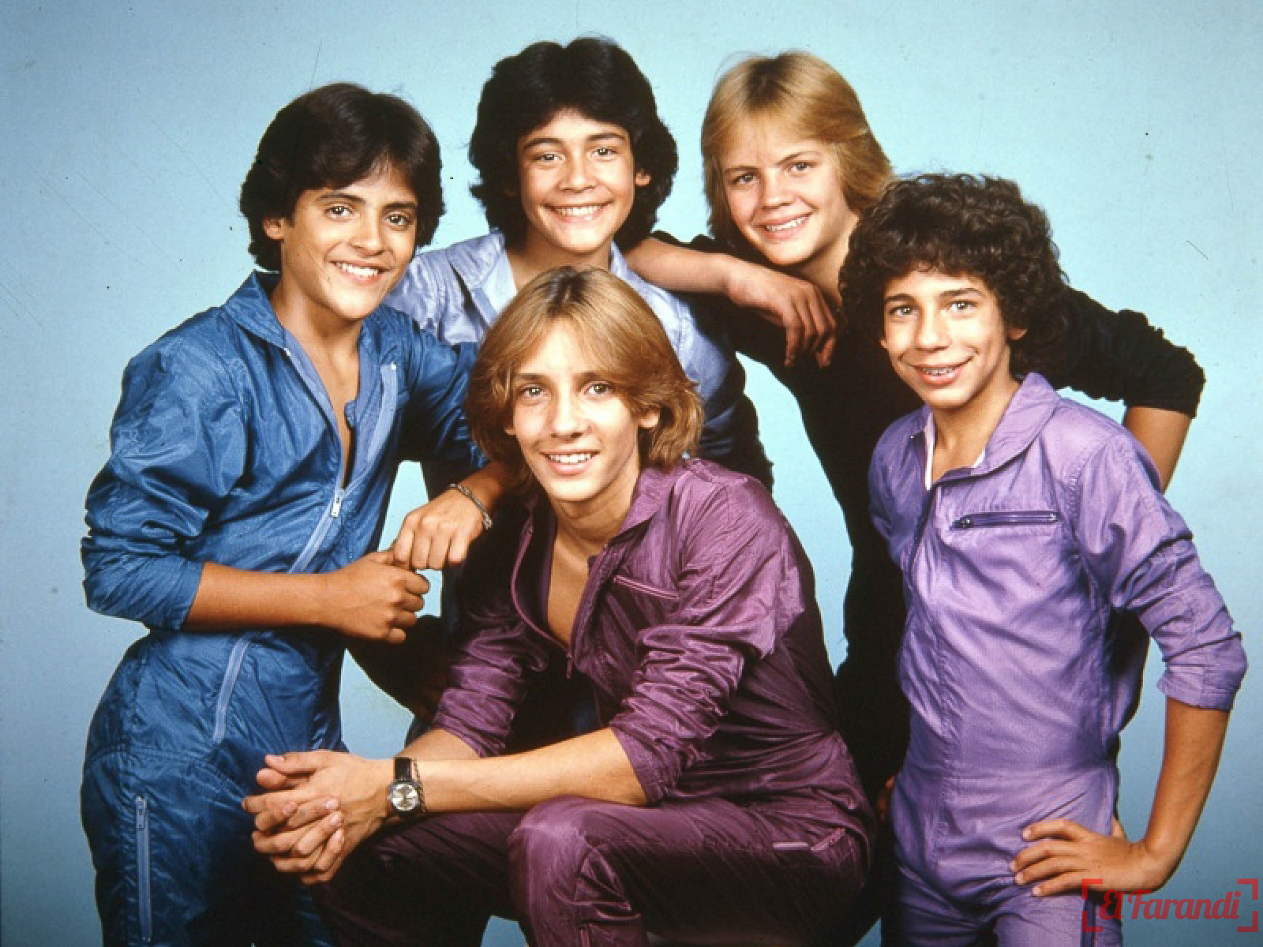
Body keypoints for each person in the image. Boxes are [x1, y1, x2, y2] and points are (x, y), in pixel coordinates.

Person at [625, 50, 1206, 806]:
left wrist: (1105, 534)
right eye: (743, 178)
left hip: (1014, 649)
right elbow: (618, 246)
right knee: (852, 843)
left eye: (799, 165)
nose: (772, 199)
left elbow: (1164, 373)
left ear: (849, 159)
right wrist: (738, 275)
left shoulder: (944, 279)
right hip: (887, 630)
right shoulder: (768, 298)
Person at [243, 266, 873, 947]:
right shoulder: (518, 534)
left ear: (648, 405)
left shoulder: (723, 517)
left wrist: (396, 786)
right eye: (534, 391)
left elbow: (641, 761)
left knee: (559, 835)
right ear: (507, 415)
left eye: (597, 387)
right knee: (364, 840)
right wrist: (353, 801)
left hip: (788, 839)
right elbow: (470, 728)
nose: (563, 423)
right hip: (632, 826)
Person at [79, 83, 506, 946]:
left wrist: (473, 492)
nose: (372, 240)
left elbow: (528, 426)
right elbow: (119, 567)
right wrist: (329, 598)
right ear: (278, 216)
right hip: (175, 748)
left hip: (305, 751)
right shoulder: (199, 365)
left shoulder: (401, 357)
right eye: (340, 207)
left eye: (397, 216)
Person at [846, 173, 1246, 944]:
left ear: (1015, 314)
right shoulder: (894, 457)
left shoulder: (1085, 455)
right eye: (902, 308)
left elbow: (1207, 648)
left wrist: (1154, 852)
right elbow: (934, 636)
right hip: (919, 837)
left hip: (1045, 845)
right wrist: (918, 769)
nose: (928, 336)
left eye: (960, 303)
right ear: (879, 327)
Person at [386, 37, 771, 498]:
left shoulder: (678, 328)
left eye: (603, 151)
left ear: (641, 167)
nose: (577, 179)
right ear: (510, 174)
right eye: (547, 156)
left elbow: (738, 480)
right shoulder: (434, 293)